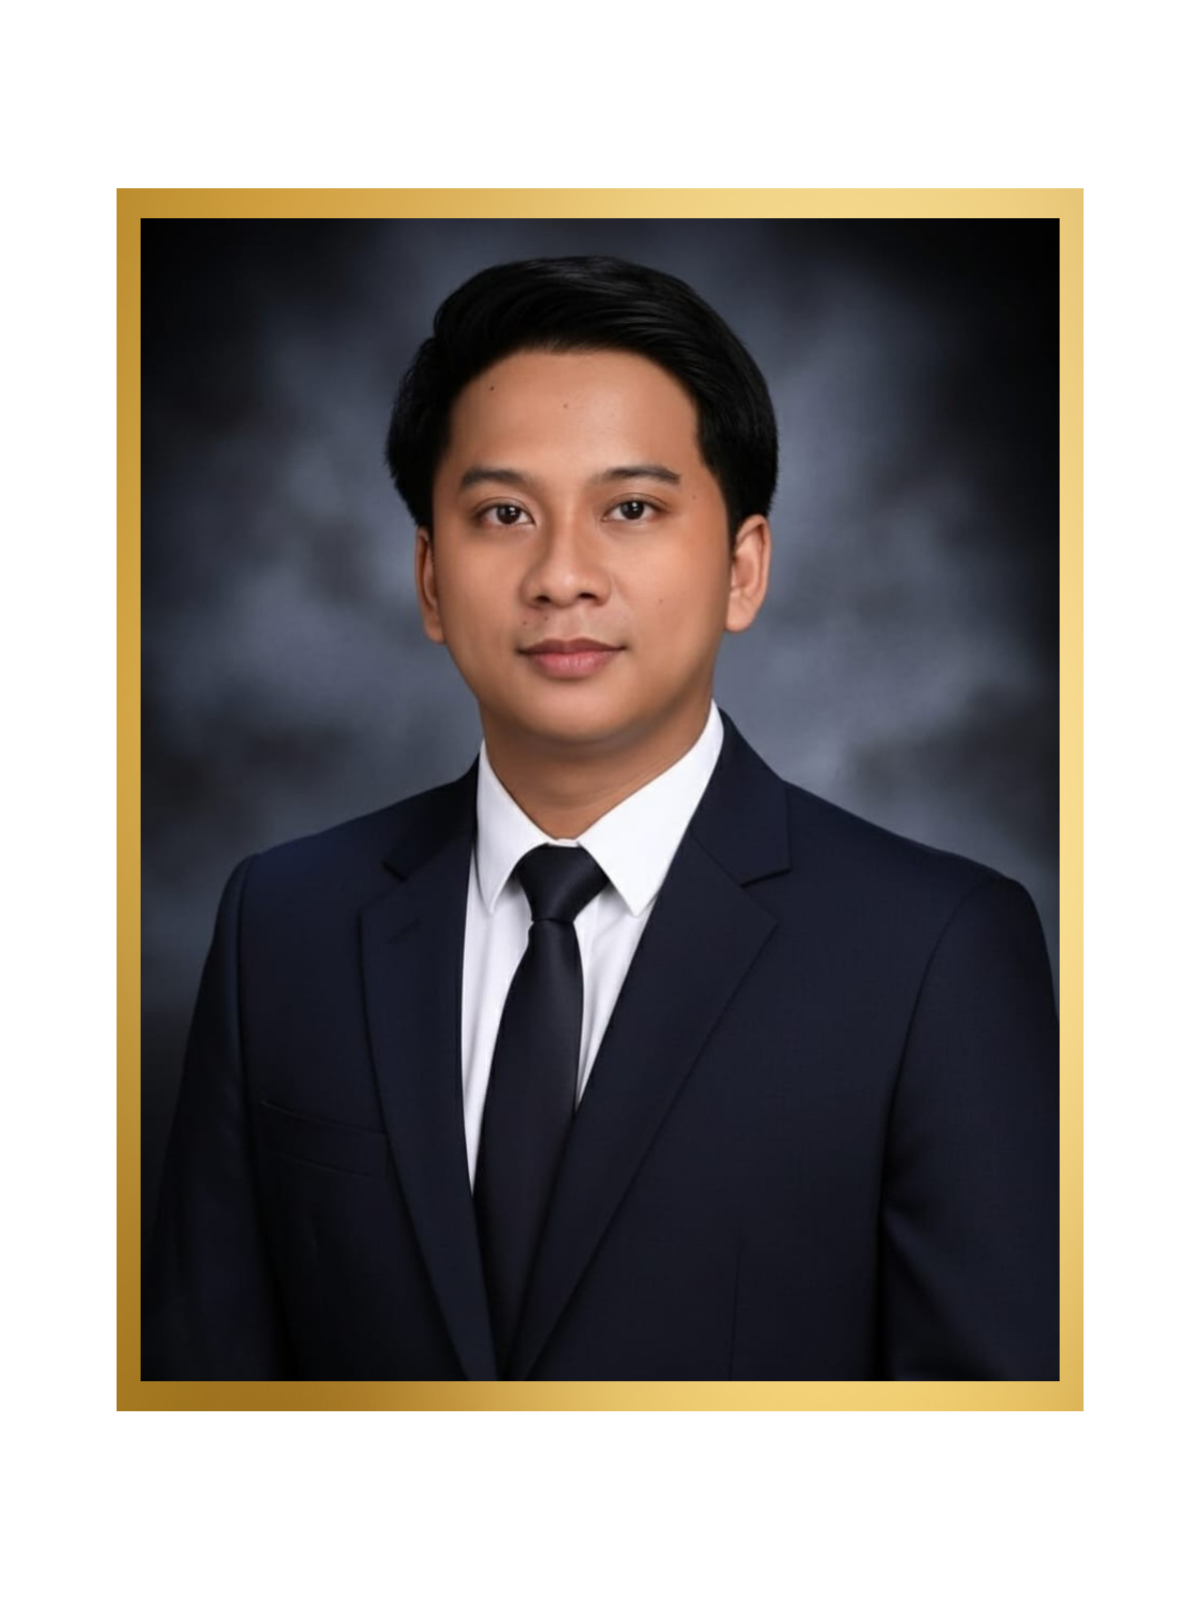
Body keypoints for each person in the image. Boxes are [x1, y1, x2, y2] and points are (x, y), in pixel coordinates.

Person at [145, 256, 1058, 1380]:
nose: (562, 575)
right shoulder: (281, 925)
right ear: (431, 579)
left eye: (631, 508)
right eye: (503, 513)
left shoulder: (938, 950)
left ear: (743, 566)